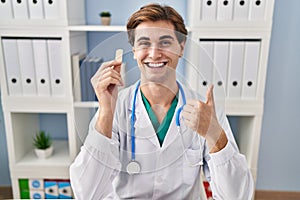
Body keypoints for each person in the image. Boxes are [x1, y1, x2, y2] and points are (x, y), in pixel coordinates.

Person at [70, 4, 253, 199]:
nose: (155, 53)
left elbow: (238, 196)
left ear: (181, 47)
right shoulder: (115, 107)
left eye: (165, 42)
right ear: (133, 50)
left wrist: (214, 134)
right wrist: (106, 111)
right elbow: (87, 193)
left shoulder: (204, 110)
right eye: (144, 43)